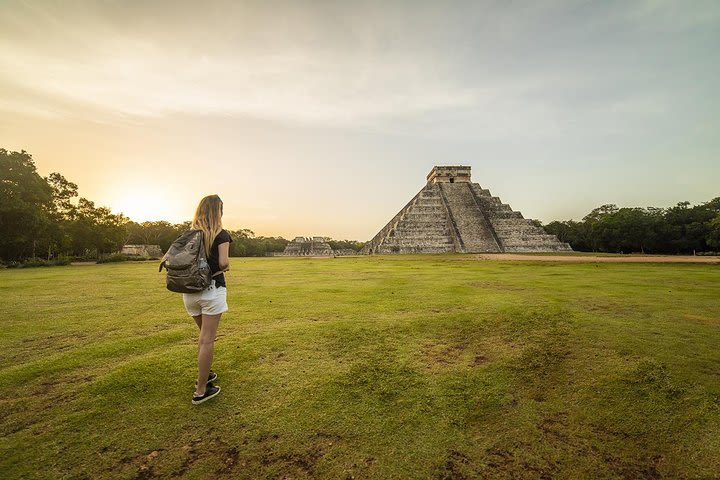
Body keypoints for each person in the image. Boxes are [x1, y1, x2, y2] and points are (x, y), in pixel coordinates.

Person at [182, 194, 232, 404]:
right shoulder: (221, 234)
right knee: (207, 340)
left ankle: (206, 374)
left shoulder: (189, 234)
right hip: (211, 290)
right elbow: (223, 263)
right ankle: (201, 390)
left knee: (204, 338)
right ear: (217, 211)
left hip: (189, 292)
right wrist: (226, 265)